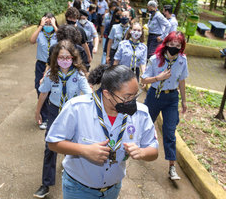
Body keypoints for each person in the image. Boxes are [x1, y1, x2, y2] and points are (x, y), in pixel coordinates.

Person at [45, 64, 159, 199]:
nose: (132, 102)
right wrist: (84, 150)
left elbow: (154, 151)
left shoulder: (141, 114)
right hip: (78, 189)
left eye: (135, 96)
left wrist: (142, 152)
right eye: (127, 97)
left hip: (113, 189)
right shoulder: (77, 108)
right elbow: (53, 143)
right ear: (107, 93)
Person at [33, 40, 92, 198]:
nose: (64, 60)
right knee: (50, 146)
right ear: (55, 58)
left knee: (72, 146)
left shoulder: (79, 75)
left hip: (72, 114)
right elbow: (43, 94)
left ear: (73, 58)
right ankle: (46, 184)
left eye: (68, 57)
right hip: (54, 112)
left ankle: (71, 175)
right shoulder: (51, 74)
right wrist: (38, 111)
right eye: (61, 57)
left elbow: (88, 94)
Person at [141, 31, 188, 181]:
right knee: (145, 123)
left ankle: (172, 167)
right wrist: (158, 78)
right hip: (155, 95)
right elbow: (144, 80)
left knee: (169, 131)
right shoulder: (155, 59)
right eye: (171, 44)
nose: (174, 47)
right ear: (166, 43)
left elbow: (182, 81)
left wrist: (184, 101)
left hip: (172, 98)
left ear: (181, 47)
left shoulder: (182, 60)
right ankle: (135, 147)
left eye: (178, 45)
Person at [30, 13, 58, 130]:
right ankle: (44, 117)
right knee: (40, 88)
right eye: (46, 23)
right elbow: (31, 40)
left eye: (50, 23)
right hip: (41, 65)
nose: (48, 25)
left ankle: (52, 116)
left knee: (52, 91)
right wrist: (41, 26)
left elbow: (65, 38)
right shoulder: (40, 34)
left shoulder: (57, 35)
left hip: (54, 65)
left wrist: (54, 25)